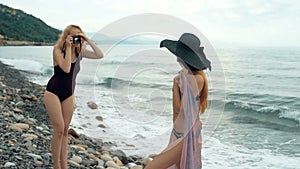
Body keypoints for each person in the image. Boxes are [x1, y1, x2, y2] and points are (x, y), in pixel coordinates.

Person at [145, 33, 211, 169]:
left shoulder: (195, 79)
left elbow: (180, 109)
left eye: (179, 54)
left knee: (151, 167)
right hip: (178, 132)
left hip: (186, 136)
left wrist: (175, 86)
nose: (176, 58)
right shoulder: (184, 74)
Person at [43, 24, 104, 169]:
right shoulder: (58, 50)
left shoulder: (80, 51)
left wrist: (87, 39)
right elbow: (66, 69)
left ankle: (64, 166)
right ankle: (56, 166)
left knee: (65, 131)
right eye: (74, 35)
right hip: (53, 92)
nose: (77, 37)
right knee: (58, 129)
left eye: (79, 35)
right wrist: (69, 48)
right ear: (67, 36)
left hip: (69, 93)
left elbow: (100, 55)